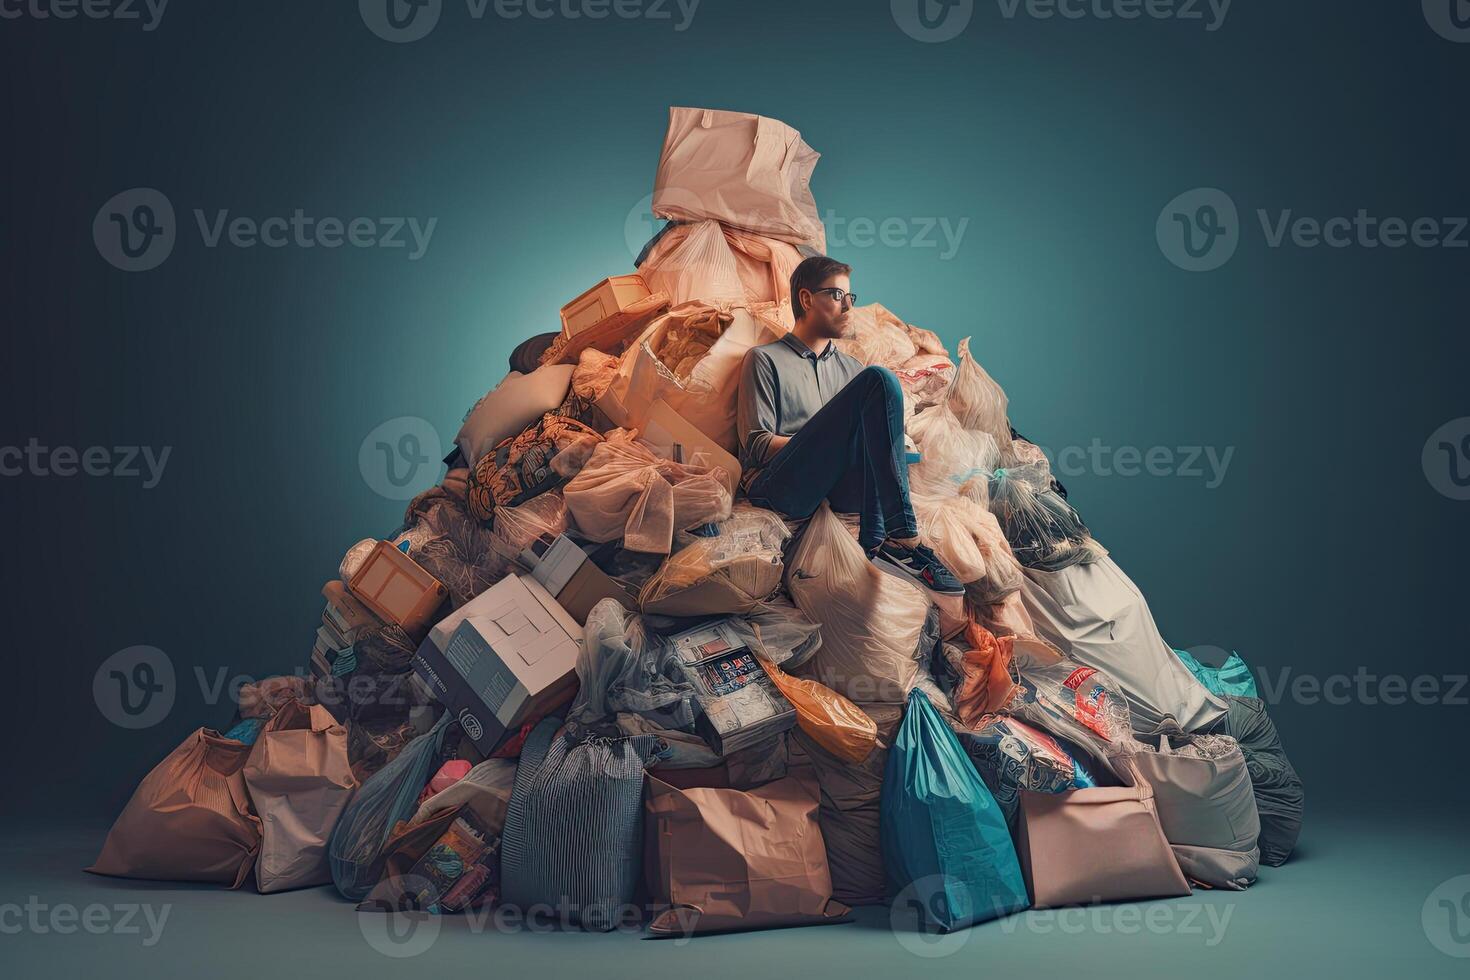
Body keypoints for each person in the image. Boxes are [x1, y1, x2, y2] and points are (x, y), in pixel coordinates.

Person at [737, 255, 964, 595]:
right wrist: (825, 442)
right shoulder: (765, 359)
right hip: (783, 485)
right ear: (806, 299)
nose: (847, 308)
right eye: (837, 296)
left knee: (889, 443)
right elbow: (756, 445)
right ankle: (901, 533)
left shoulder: (850, 369)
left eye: (850, 298)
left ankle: (875, 539)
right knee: (880, 378)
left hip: (840, 489)